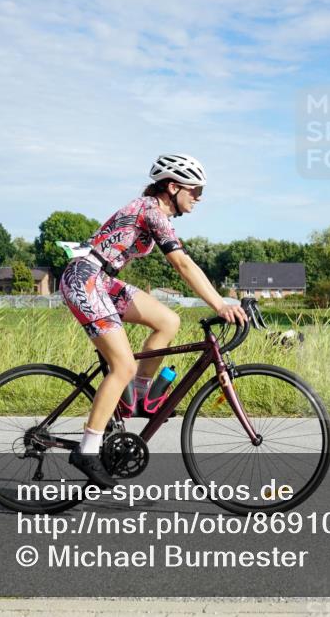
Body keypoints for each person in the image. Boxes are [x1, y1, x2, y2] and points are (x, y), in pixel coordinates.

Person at [58, 154, 248, 486]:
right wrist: (221, 304)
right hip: (84, 280)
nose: (199, 197)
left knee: (168, 321)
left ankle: (141, 396)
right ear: (173, 187)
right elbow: (184, 265)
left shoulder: (155, 213)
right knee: (124, 366)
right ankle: (87, 450)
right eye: (195, 190)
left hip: (101, 280)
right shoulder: (150, 211)